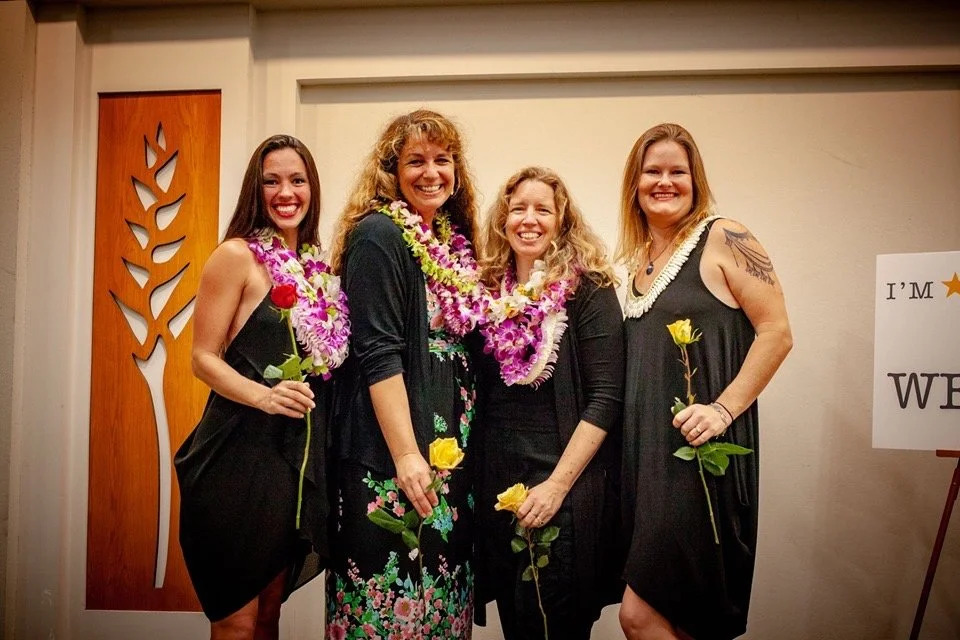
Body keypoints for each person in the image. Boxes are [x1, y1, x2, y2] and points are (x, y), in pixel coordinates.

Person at [616, 123, 793, 640]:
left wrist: (721, 410)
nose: (665, 182)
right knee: (680, 617)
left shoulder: (725, 237)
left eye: (678, 172)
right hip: (645, 460)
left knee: (640, 614)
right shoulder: (633, 266)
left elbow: (777, 333)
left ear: (696, 181)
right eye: (653, 171)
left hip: (700, 456)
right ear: (635, 183)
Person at [175, 135, 348, 639]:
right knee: (237, 621)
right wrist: (264, 396)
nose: (285, 192)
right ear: (257, 188)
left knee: (270, 615)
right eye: (271, 181)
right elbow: (202, 358)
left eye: (297, 180)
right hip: (234, 459)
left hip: (288, 467)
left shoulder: (320, 272)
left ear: (312, 188)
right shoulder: (235, 257)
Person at [326, 109, 484, 638]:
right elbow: (377, 354)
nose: (431, 172)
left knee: (440, 608)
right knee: (392, 611)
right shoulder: (379, 236)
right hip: (393, 458)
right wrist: (407, 455)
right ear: (391, 170)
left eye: (443, 160)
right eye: (415, 161)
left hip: (447, 459)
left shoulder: (447, 241)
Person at [474, 166, 625, 639]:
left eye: (543, 209)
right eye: (518, 207)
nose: (529, 219)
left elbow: (606, 398)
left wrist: (557, 487)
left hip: (562, 491)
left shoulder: (589, 290)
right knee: (518, 626)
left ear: (562, 220)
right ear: (503, 219)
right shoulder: (488, 294)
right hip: (500, 492)